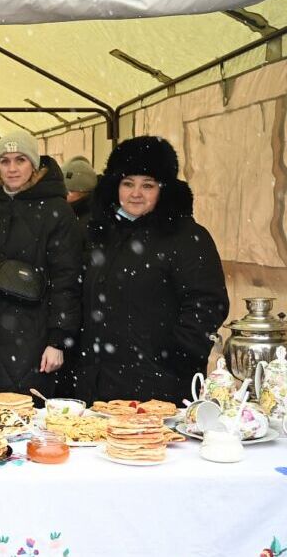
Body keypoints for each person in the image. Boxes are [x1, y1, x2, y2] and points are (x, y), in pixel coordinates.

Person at [79, 136, 229, 406]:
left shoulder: (186, 237)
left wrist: (176, 354)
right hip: (99, 384)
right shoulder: (99, 234)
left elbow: (207, 303)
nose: (136, 193)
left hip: (159, 385)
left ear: (163, 189)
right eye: (128, 183)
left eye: (147, 185)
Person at [0, 131, 82, 397]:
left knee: (26, 411)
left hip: (34, 333)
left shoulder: (57, 211)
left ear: (34, 165)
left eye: (20, 159)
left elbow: (67, 279)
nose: (12, 168)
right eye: (5, 161)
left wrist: (57, 340)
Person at [62, 155, 97, 232]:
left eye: (69, 191)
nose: (63, 195)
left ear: (84, 192)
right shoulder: (67, 213)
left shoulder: (90, 223)